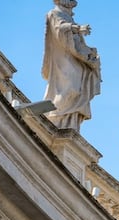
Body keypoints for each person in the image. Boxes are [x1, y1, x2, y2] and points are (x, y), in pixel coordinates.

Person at [42, 0, 101, 131]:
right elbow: (59, 29)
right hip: (63, 58)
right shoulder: (54, 13)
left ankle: (70, 123)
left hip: (74, 57)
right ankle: (54, 119)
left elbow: (77, 42)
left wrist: (89, 53)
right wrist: (75, 28)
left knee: (78, 89)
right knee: (70, 88)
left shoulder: (68, 16)